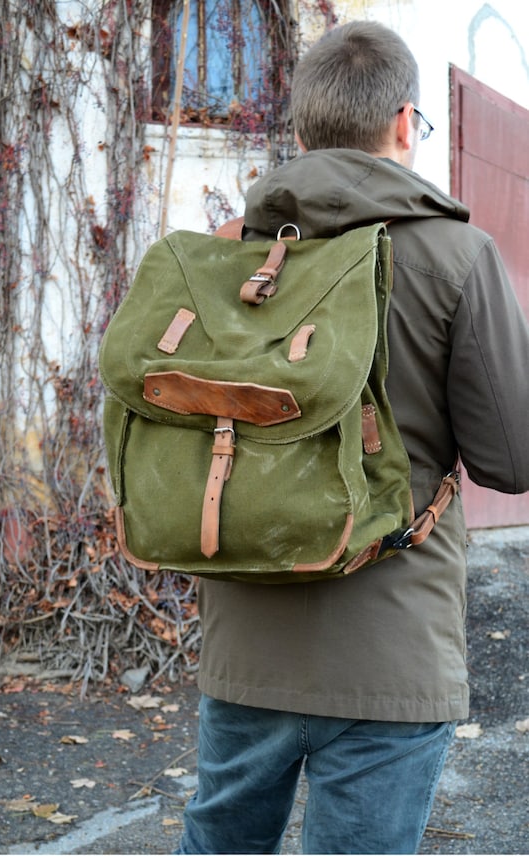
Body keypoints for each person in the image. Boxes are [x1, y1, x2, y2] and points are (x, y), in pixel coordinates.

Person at [177, 20, 529, 855]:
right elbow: (513, 462)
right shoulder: (457, 254)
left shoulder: (226, 256)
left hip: (248, 643)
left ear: (299, 129)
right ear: (406, 124)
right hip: (393, 656)